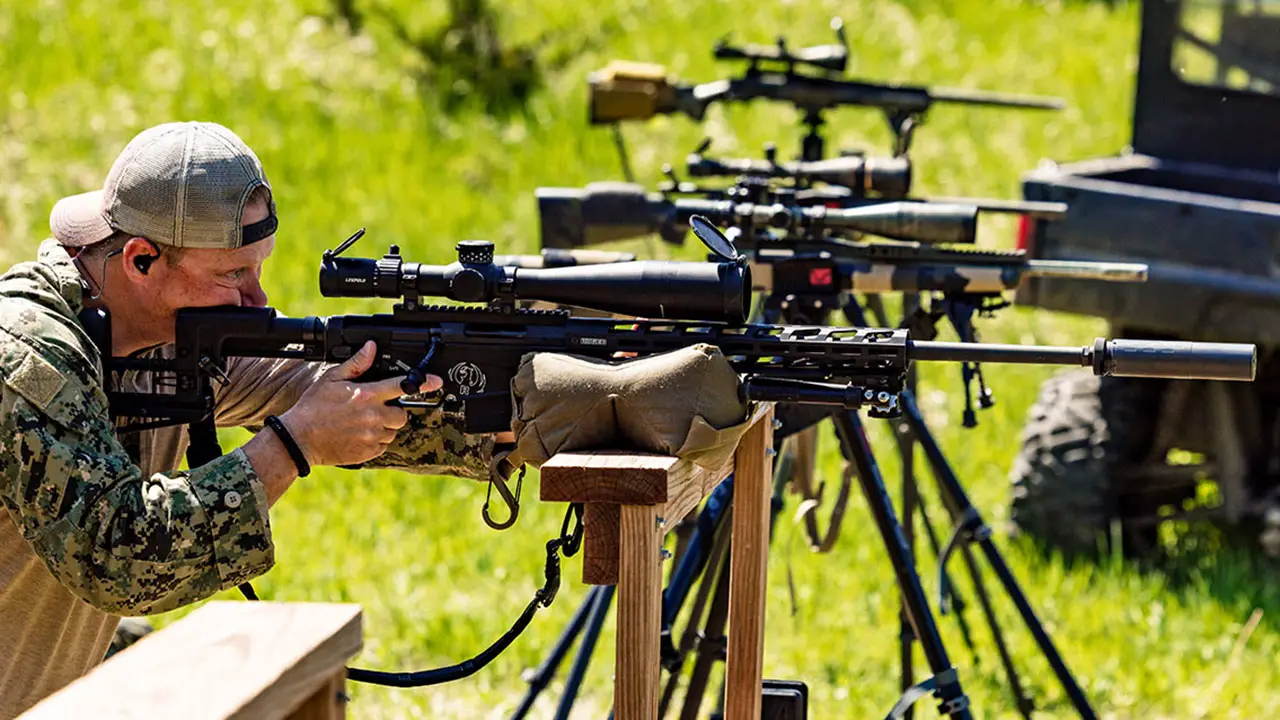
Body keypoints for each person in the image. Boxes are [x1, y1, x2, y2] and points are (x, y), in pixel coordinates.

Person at [0, 121, 507, 718]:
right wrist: (293, 448)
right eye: (232, 276)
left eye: (257, 269)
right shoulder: (28, 357)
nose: (258, 301)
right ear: (140, 260)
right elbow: (116, 554)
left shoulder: (174, 333)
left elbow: (314, 388)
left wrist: (511, 406)